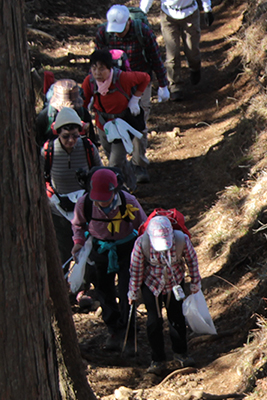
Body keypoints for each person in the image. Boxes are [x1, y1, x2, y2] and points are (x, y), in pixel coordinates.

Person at [71, 168, 147, 353]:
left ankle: (130, 333)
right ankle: (113, 330)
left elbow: (143, 226)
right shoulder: (85, 203)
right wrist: (78, 243)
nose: (101, 201)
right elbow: (77, 225)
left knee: (127, 290)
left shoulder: (128, 201)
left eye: (105, 197)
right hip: (100, 250)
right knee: (104, 290)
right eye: (98, 197)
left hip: (126, 249)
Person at [95, 4, 170, 183]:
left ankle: (139, 164)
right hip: (114, 84)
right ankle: (119, 165)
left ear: (129, 21)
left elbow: (155, 57)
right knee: (111, 124)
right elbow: (97, 61)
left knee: (137, 122)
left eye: (121, 29)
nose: (118, 34)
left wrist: (163, 84)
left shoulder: (143, 32)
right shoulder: (104, 33)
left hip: (140, 83)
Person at [128, 215, 201, 374]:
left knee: (177, 318)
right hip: (151, 284)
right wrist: (133, 291)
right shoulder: (142, 243)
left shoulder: (181, 240)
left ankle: (181, 353)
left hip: (175, 282)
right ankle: (157, 360)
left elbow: (192, 260)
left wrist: (195, 282)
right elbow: (136, 269)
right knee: (154, 321)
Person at [41, 107, 102, 292]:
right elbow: (41, 178)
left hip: (85, 207)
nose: (71, 141)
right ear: (57, 133)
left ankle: (84, 289)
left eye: (75, 136)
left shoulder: (87, 147)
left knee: (86, 249)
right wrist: (54, 197)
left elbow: (99, 173)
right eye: (66, 136)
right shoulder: (48, 150)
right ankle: (61, 289)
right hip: (58, 209)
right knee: (63, 248)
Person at [82, 49, 150, 192]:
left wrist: (135, 99)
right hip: (103, 125)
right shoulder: (90, 82)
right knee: (115, 158)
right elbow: (84, 101)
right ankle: (131, 185)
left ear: (110, 68)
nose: (97, 73)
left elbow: (145, 78)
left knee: (114, 164)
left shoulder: (123, 78)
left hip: (122, 126)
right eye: (94, 68)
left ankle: (115, 192)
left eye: (102, 69)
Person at [140, 0, 214, 101]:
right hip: (168, 15)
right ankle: (175, 85)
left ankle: (194, 67)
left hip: (190, 13)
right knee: (172, 52)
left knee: (192, 50)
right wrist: (142, 12)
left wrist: (207, 9)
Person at [36, 78, 98, 147]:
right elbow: (38, 140)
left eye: (72, 108)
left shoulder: (83, 113)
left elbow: (92, 140)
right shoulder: (46, 116)